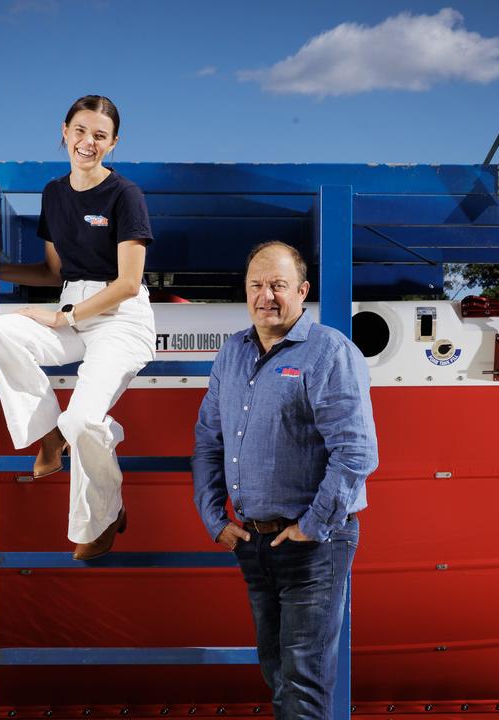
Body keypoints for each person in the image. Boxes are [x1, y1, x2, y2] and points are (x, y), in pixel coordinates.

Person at [192, 241, 378, 719]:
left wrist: (312, 526)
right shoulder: (232, 353)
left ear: (302, 291)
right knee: (277, 671)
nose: (265, 296)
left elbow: (356, 451)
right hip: (254, 543)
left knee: (303, 681)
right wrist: (215, 519)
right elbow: (208, 441)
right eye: (256, 285)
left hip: (313, 544)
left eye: (277, 285)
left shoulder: (329, 351)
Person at [0, 94, 154, 561]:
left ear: (113, 143)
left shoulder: (125, 195)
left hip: (119, 318)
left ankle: (104, 511)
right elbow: (54, 272)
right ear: (64, 131)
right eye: (80, 131)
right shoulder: (54, 193)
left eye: (99, 135)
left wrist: (66, 317)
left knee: (83, 418)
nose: (87, 142)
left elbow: (129, 281)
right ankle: (48, 434)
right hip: (72, 306)